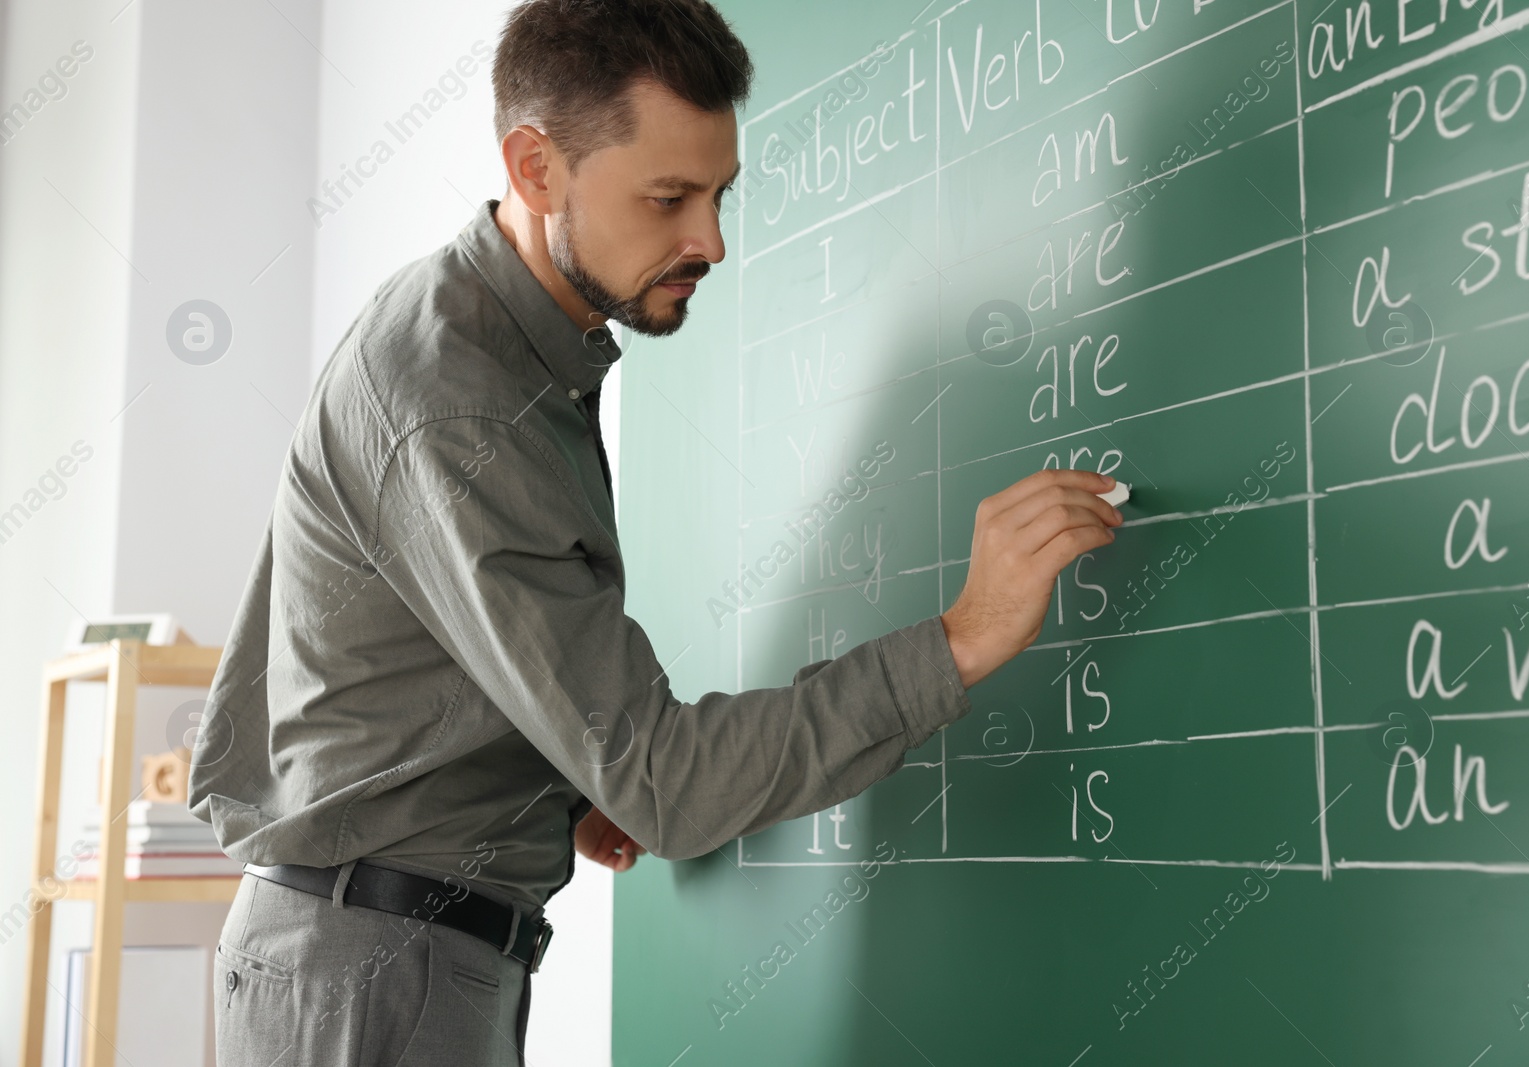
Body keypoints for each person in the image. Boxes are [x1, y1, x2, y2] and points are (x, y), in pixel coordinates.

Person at [188, 1, 1123, 1063]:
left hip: (381, 957)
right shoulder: (463, 402)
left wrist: (556, 776)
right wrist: (962, 636)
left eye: (719, 193)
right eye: (669, 197)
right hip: (375, 977)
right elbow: (668, 789)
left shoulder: (496, 345)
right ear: (536, 168)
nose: (711, 240)